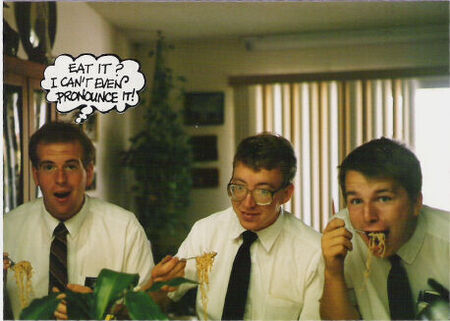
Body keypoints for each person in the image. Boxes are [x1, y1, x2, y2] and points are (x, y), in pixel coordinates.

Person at [3, 121, 154, 319]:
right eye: (49, 167)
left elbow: (145, 314)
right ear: (35, 175)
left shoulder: (125, 229)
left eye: (71, 166)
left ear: (89, 173)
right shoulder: (7, 229)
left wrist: (101, 310)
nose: (60, 179)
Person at [167, 133, 324, 320]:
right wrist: (158, 284)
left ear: (286, 194)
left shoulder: (313, 252)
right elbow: (165, 294)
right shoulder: (206, 232)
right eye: (239, 188)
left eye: (262, 191)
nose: (247, 203)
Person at [320, 137, 449, 320]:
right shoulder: (341, 236)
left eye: (384, 198)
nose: (368, 216)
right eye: (356, 201)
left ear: (416, 203)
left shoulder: (446, 241)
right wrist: (333, 272)